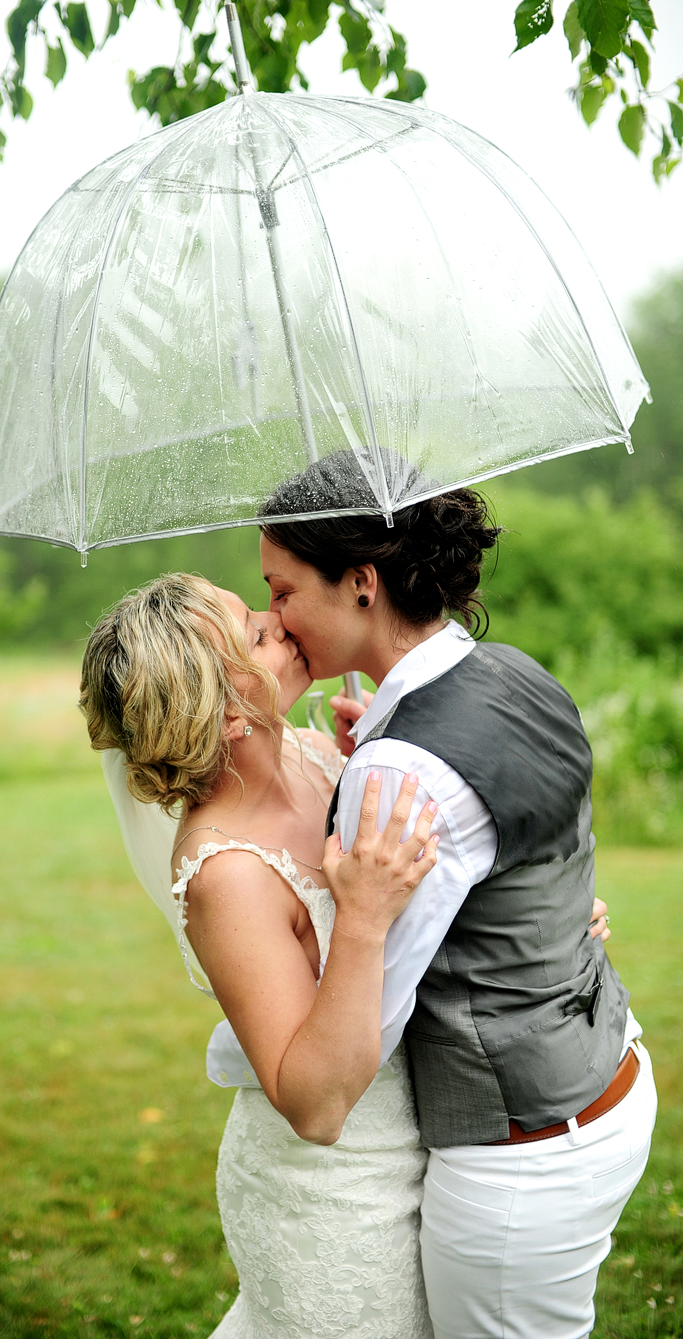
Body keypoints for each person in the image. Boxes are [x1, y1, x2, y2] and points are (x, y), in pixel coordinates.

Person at [79, 571, 612, 1339]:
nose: (279, 620)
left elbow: (429, 917)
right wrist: (360, 915)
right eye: (255, 632)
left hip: (430, 1138)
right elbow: (314, 1104)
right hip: (334, 1198)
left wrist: (534, 915)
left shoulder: (316, 755)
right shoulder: (225, 872)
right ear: (227, 715)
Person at [257, 449, 657, 1339]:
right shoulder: (513, 672)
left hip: (522, 1155)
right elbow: (520, 851)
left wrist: (386, 772)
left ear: (361, 581)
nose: (276, 619)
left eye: (283, 591)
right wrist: (389, 741)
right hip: (610, 1067)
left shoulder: (402, 771)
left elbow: (359, 1044)